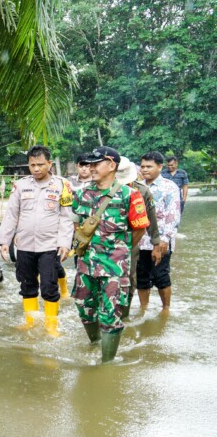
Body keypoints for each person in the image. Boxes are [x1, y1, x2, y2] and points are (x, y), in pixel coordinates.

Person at [72, 146, 149, 363]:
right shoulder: (81, 194)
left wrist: (119, 251)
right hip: (86, 264)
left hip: (115, 268)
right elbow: (76, 226)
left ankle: (106, 364)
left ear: (111, 165)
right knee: (84, 307)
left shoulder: (130, 195)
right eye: (89, 164)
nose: (91, 168)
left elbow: (140, 229)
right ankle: (94, 343)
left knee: (110, 314)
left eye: (96, 164)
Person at [0, 145, 74, 336]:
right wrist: (4, 241)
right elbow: (12, 214)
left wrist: (64, 243)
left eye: (40, 164)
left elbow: (66, 216)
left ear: (49, 163)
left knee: (49, 286)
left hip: (49, 246)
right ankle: (30, 322)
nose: (36, 169)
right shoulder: (21, 185)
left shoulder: (62, 186)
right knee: (27, 284)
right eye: (32, 165)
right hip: (24, 245)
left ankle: (51, 327)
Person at [114, 156, 160, 318]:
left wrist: (156, 244)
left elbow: (151, 220)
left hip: (131, 240)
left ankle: (124, 315)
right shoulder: (102, 190)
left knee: (128, 278)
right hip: (106, 241)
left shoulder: (142, 191)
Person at [138, 151, 181, 311]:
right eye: (142, 166)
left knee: (160, 276)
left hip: (161, 240)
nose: (145, 169)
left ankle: (166, 310)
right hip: (139, 241)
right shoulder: (137, 187)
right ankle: (143, 309)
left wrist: (164, 240)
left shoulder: (169, 187)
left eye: (149, 166)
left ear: (160, 167)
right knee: (141, 277)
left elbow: (173, 215)